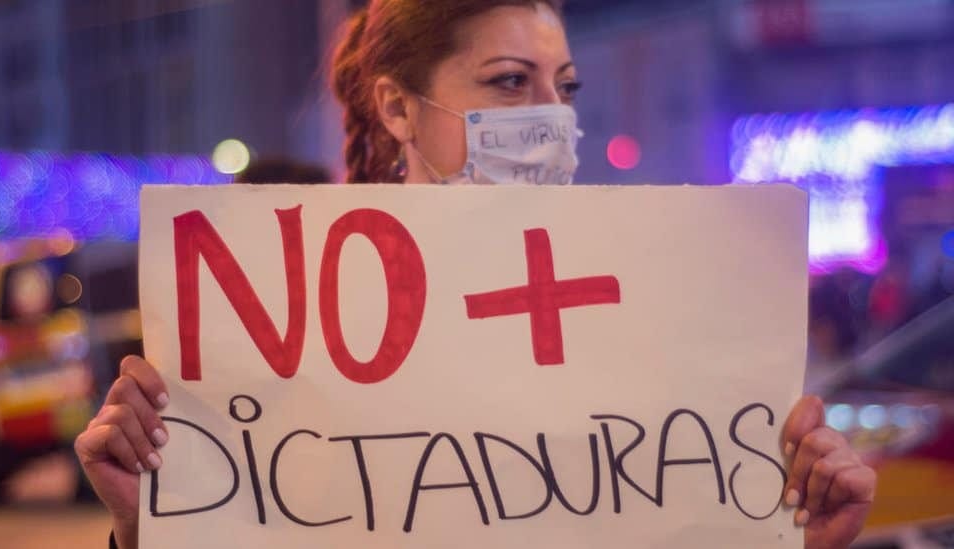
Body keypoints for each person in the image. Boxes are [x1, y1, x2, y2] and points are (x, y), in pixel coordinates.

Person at [75, 2, 876, 548]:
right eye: (508, 81)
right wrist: (152, 528)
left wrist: (798, 537)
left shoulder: (652, 320)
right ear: (398, 109)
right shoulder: (297, 329)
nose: (550, 116)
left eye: (564, 88)